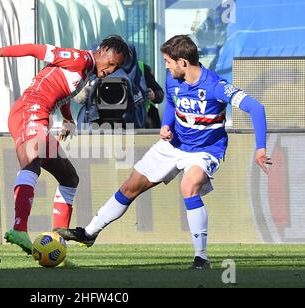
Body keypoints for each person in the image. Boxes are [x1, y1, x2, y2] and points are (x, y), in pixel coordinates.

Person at [56, 35, 272, 269]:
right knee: (130, 187)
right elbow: (171, 102)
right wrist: (166, 125)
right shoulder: (173, 79)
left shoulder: (215, 86)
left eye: (168, 61)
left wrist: (260, 147)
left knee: (188, 187)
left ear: (183, 62)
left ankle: (201, 258)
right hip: (174, 145)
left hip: (206, 150)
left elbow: (256, 108)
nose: (166, 66)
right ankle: (89, 233)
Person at [0, 36, 130, 255]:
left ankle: (57, 235)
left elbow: (62, 92)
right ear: (102, 51)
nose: (111, 70)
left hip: (40, 116)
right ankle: (19, 228)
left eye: (117, 67)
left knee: (70, 178)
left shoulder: (86, 73)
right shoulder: (79, 59)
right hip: (29, 111)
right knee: (32, 162)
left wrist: (67, 118)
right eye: (111, 62)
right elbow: (34, 49)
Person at [137, 62, 164, 128]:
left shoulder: (142, 67)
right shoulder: (110, 67)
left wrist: (154, 95)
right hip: (118, 119)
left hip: (143, 118)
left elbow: (159, 93)